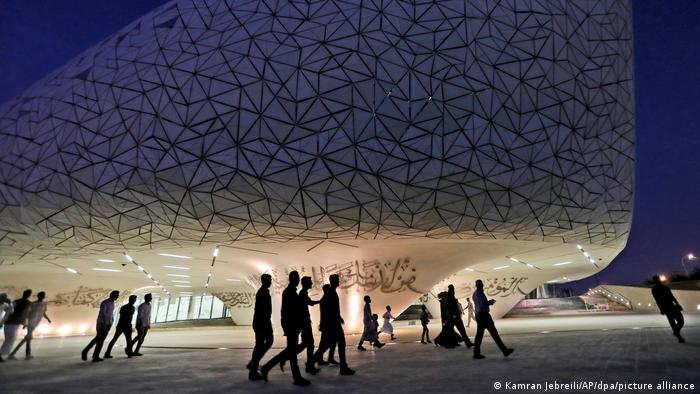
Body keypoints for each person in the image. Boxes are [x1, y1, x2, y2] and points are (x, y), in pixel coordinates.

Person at [260, 271, 310, 386]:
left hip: (293, 326)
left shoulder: (291, 291)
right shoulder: (289, 292)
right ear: (292, 279)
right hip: (292, 326)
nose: (298, 280)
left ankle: (267, 367)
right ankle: (296, 378)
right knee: (292, 353)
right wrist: (289, 328)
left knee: (290, 351)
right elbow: (288, 312)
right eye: (296, 278)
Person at [313, 274, 355, 375]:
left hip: (333, 323)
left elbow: (332, 309)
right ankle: (343, 368)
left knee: (329, 345)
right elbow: (329, 310)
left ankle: (311, 363)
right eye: (336, 279)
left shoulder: (331, 292)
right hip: (333, 324)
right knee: (336, 344)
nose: (338, 281)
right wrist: (333, 320)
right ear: (332, 281)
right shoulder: (331, 293)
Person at [472, 280, 513, 359]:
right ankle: (504, 351)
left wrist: (487, 303)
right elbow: (482, 304)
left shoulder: (474, 294)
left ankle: (476, 353)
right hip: (484, 316)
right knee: (494, 333)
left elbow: (479, 304)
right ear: (481, 285)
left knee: (479, 335)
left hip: (479, 315)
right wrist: (490, 302)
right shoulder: (480, 293)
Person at [290, 276, 320, 374]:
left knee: (308, 343)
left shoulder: (303, 293)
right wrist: (321, 301)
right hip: (304, 323)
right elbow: (310, 303)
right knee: (309, 343)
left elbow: (309, 303)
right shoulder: (302, 293)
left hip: (305, 322)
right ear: (306, 283)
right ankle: (309, 365)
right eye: (310, 282)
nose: (311, 283)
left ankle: (310, 365)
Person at [10, 291, 51, 360]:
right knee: (28, 338)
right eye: (43, 295)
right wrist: (26, 323)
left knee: (27, 338)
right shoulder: (33, 304)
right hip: (31, 322)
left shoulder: (44, 304)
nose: (43, 296)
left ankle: (14, 353)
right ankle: (26, 354)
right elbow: (28, 314)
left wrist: (48, 319)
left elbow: (43, 312)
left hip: (35, 323)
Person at [248, 274, 273, 381]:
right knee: (265, 343)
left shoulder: (263, 291)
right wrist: (266, 324)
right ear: (265, 281)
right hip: (262, 324)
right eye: (269, 280)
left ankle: (253, 365)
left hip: (261, 323)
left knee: (260, 345)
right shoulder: (263, 292)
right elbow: (263, 311)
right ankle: (253, 368)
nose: (271, 281)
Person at [82, 290, 120, 362]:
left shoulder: (112, 303)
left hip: (107, 324)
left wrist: (111, 323)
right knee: (99, 339)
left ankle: (93, 354)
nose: (117, 297)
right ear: (112, 295)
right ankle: (89, 352)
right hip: (102, 324)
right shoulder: (105, 302)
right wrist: (105, 324)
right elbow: (103, 314)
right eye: (117, 295)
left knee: (100, 340)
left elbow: (110, 314)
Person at [0, 289, 32, 362]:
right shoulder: (17, 302)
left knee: (11, 339)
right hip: (10, 322)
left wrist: (10, 304)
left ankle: (3, 354)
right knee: (10, 339)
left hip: (14, 322)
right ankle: (2, 354)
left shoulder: (7, 304)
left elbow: (10, 311)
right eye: (3, 297)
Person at [651, 275, 685, 342]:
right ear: (655, 281)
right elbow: (658, 300)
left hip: (672, 306)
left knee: (681, 321)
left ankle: (676, 332)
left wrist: (677, 304)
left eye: (658, 279)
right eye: (657, 279)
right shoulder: (654, 289)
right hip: (666, 308)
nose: (658, 280)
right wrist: (661, 309)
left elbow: (672, 297)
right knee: (673, 323)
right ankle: (679, 337)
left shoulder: (665, 287)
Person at [315, 284, 338, 365]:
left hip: (326, 324)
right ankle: (314, 360)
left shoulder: (325, 299)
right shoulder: (325, 299)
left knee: (326, 343)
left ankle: (321, 359)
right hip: (327, 325)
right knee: (327, 343)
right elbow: (325, 314)